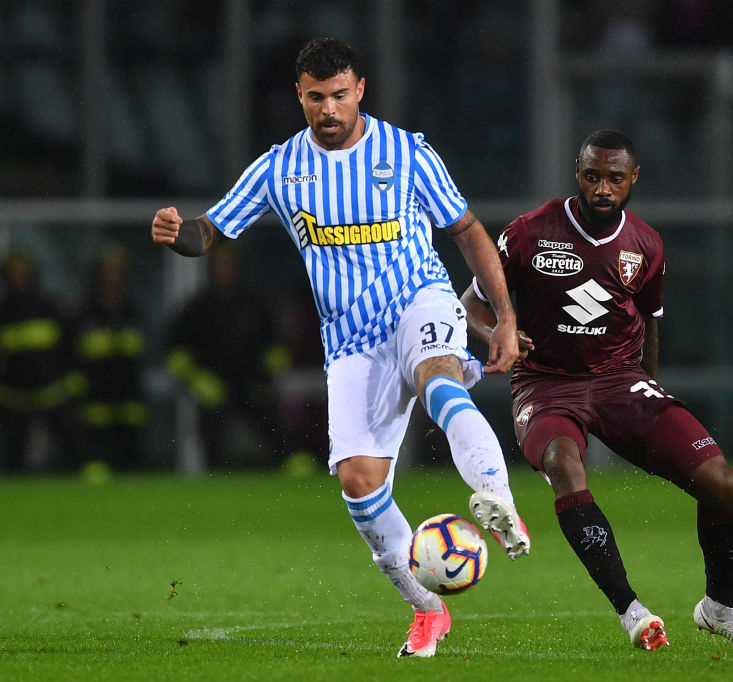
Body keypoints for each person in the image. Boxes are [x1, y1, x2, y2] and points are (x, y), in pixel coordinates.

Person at [150, 37, 529, 658]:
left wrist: (505, 317)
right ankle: (428, 610)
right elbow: (207, 232)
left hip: (420, 301)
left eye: (340, 95)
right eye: (315, 98)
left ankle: (499, 500)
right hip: (351, 340)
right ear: (300, 97)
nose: (329, 109)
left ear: (361, 91)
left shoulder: (405, 153)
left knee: (439, 378)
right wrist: (176, 232)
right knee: (359, 481)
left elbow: (467, 232)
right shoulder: (280, 167)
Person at [460, 129, 733, 650]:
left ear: (633, 179)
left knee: (721, 483)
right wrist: (499, 330)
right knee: (564, 464)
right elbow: (470, 303)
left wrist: (648, 387)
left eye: (614, 178)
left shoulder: (646, 244)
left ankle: (721, 608)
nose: (602, 188)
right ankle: (632, 611)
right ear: (577, 175)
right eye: (592, 176)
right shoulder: (529, 232)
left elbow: (650, 323)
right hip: (546, 385)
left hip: (621, 383)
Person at [165, 245, 300, 469]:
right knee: (211, 440)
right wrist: (198, 380)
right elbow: (175, 351)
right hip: (213, 387)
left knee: (275, 431)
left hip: (253, 383)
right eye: (219, 265)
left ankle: (293, 468)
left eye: (229, 265)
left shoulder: (256, 303)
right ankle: (214, 476)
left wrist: (266, 375)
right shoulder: (197, 307)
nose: (224, 271)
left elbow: (277, 345)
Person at [0, 251, 82, 472]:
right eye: (14, 274)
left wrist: (70, 376)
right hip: (14, 394)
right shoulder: (4, 311)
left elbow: (68, 345)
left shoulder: (47, 306)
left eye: (23, 273)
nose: (19, 278)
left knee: (72, 439)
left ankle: (85, 473)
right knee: (15, 449)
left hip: (50, 390)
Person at [74, 244, 149, 470]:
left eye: (117, 271)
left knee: (131, 459)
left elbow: (140, 349)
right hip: (96, 396)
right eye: (108, 270)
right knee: (96, 460)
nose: (113, 277)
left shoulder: (132, 311)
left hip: (128, 396)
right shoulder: (86, 311)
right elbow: (76, 351)